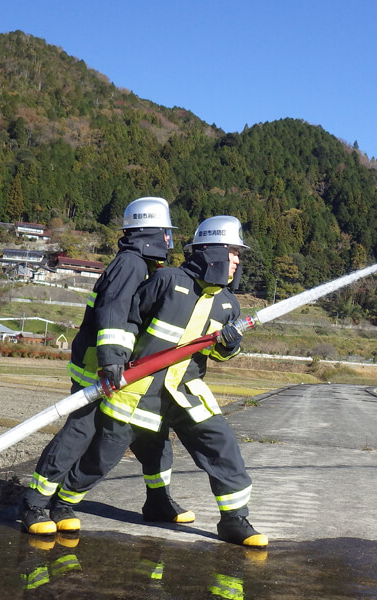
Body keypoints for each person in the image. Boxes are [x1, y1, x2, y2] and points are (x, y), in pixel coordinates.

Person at [54, 215, 267, 548]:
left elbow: (221, 356)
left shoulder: (229, 304)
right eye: (233, 252)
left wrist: (229, 344)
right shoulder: (166, 281)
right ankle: (64, 501)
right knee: (106, 454)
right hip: (142, 389)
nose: (238, 261)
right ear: (211, 251)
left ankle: (234, 520)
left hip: (186, 392)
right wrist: (114, 360)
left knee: (222, 445)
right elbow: (127, 321)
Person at [19, 196, 193, 535]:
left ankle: (62, 503)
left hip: (115, 370)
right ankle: (34, 504)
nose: (170, 242)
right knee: (80, 432)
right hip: (97, 368)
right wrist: (112, 361)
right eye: (166, 234)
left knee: (127, 437)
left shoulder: (142, 266)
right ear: (153, 233)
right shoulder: (130, 264)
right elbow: (112, 312)